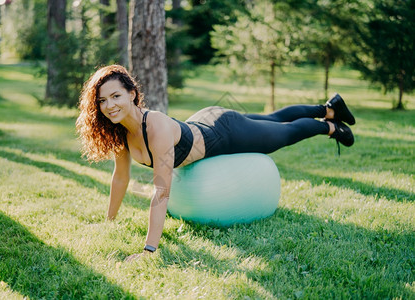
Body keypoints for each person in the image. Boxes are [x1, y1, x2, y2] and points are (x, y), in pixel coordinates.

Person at [76, 64, 355, 260]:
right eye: (102, 101)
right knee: (271, 120)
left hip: (225, 132)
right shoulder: (120, 134)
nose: (110, 105)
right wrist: (109, 221)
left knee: (282, 133)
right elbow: (120, 178)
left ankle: (330, 125)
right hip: (204, 119)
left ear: (132, 94)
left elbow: (161, 192)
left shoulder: (156, 127)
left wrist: (149, 250)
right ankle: (331, 107)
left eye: (116, 96)